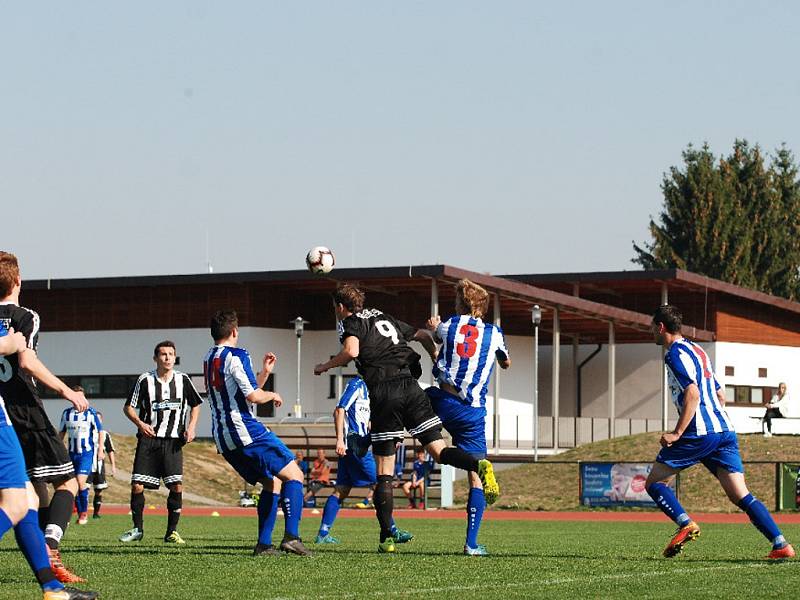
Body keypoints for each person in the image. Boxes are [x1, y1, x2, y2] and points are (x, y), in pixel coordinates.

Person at [314, 283, 499, 553]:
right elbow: (424, 335)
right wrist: (435, 356)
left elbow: (352, 352)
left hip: (384, 393)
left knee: (385, 470)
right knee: (439, 451)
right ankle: (478, 463)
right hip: (412, 388)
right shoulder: (383, 316)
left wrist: (325, 366)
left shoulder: (352, 323)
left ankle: (387, 536)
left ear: (341, 307)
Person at [645, 304, 795, 560]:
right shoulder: (699, 350)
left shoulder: (673, 354)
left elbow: (692, 393)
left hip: (698, 432)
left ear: (661, 327)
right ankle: (780, 543)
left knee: (655, 483)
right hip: (724, 430)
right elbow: (720, 395)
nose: (651, 333)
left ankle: (685, 524)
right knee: (741, 494)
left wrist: (678, 433)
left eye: (652, 329)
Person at [0, 251, 91, 583]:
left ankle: (48, 578)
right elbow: (27, 362)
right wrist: (68, 391)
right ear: (18, 280)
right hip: (24, 411)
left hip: (1, 413)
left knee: (28, 493)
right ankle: (51, 545)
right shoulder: (26, 317)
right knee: (65, 482)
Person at [203, 309, 310, 556]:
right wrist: (273, 394)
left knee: (271, 482)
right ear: (234, 332)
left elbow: (242, 390)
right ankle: (292, 538)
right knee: (294, 475)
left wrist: (264, 373)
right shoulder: (238, 354)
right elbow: (253, 396)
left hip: (223, 437)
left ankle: (263, 545)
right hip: (246, 430)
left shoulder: (209, 358)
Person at [425, 278, 511, 555]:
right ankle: (471, 543)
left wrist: (431, 328)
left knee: (411, 417)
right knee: (476, 475)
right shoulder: (494, 333)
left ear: (462, 303)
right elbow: (506, 362)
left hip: (441, 400)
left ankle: (376, 437)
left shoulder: (449, 325)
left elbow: (436, 336)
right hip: (472, 413)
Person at [119, 341, 203, 545]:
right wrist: (140, 423)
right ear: (155, 358)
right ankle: (137, 528)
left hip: (173, 441)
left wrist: (191, 427)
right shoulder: (145, 380)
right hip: (148, 441)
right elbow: (128, 407)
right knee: (138, 485)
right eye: (163, 354)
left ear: (175, 357)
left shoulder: (183, 380)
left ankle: (171, 532)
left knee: (176, 486)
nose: (167, 358)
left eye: (171, 354)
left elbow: (196, 404)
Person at [314, 376, 412, 544]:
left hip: (356, 446)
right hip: (355, 446)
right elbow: (339, 410)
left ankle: (323, 534)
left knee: (341, 490)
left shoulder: (372, 390)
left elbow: (369, 423)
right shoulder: (357, 384)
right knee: (381, 484)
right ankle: (392, 530)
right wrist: (340, 440)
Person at [58, 387, 104, 525]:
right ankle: (74, 513)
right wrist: (57, 449)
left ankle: (83, 513)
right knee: (71, 485)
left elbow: (101, 432)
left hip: (86, 454)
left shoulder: (91, 413)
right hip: (71, 454)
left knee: (79, 482)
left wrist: (101, 449)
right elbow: (61, 433)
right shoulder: (66, 414)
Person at [89, 413, 115, 519]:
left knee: (98, 490)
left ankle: (96, 513)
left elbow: (110, 450)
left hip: (99, 466)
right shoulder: (86, 432)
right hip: (87, 464)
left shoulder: (105, 434)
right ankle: (81, 513)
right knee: (83, 488)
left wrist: (113, 466)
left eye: (99, 419)